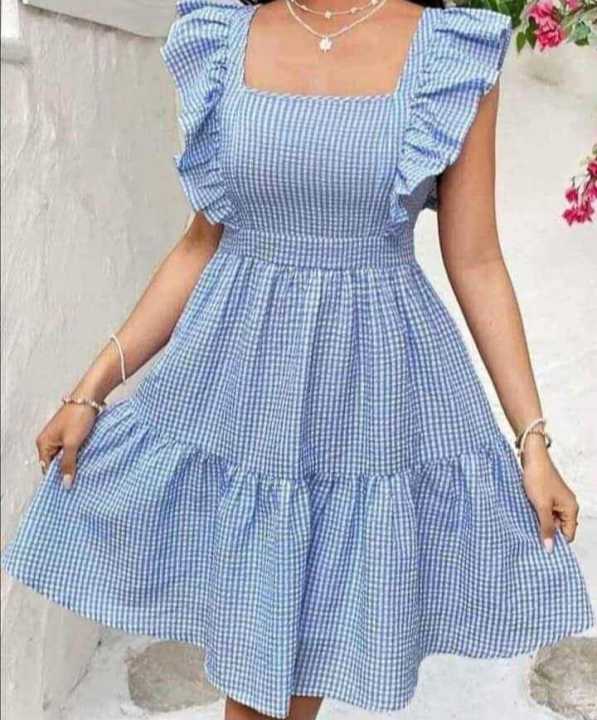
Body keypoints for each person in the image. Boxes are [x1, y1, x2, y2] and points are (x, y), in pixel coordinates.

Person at [1, 0, 594, 719]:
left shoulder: (449, 52)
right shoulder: (223, 38)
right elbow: (199, 246)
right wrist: (89, 391)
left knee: (282, 680)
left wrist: (532, 441)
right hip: (240, 398)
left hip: (365, 400)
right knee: (265, 681)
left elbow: (475, 260)